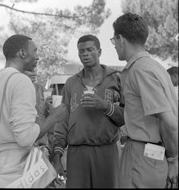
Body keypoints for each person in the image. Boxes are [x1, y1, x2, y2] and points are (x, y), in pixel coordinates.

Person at [0, 34, 68, 188]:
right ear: (22, 53)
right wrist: (54, 117)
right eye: (35, 51)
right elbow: (25, 137)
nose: (38, 57)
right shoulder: (21, 81)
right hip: (16, 171)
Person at [111, 12, 178, 188]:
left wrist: (173, 160)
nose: (115, 46)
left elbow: (169, 122)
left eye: (113, 41)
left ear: (121, 39)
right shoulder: (156, 67)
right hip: (151, 154)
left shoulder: (140, 71)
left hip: (143, 156)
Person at [52, 34, 124, 188]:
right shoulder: (71, 83)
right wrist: (57, 156)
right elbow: (62, 121)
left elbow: (127, 117)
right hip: (77, 152)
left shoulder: (116, 79)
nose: (84, 54)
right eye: (81, 51)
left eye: (90, 50)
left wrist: (105, 105)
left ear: (99, 51)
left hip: (107, 150)